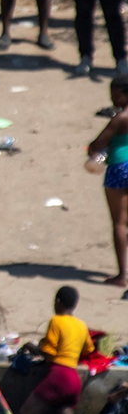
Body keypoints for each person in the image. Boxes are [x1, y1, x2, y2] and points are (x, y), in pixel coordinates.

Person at [17, 287, 95, 414]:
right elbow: (88, 349)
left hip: (59, 376)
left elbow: (48, 352)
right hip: (74, 380)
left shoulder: (56, 321)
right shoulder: (81, 325)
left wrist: (32, 348)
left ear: (58, 302)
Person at [87, 77, 128, 286]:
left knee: (119, 222)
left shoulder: (120, 118)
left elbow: (97, 143)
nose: (111, 98)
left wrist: (93, 151)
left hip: (120, 167)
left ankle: (123, 275)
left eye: (115, 94)